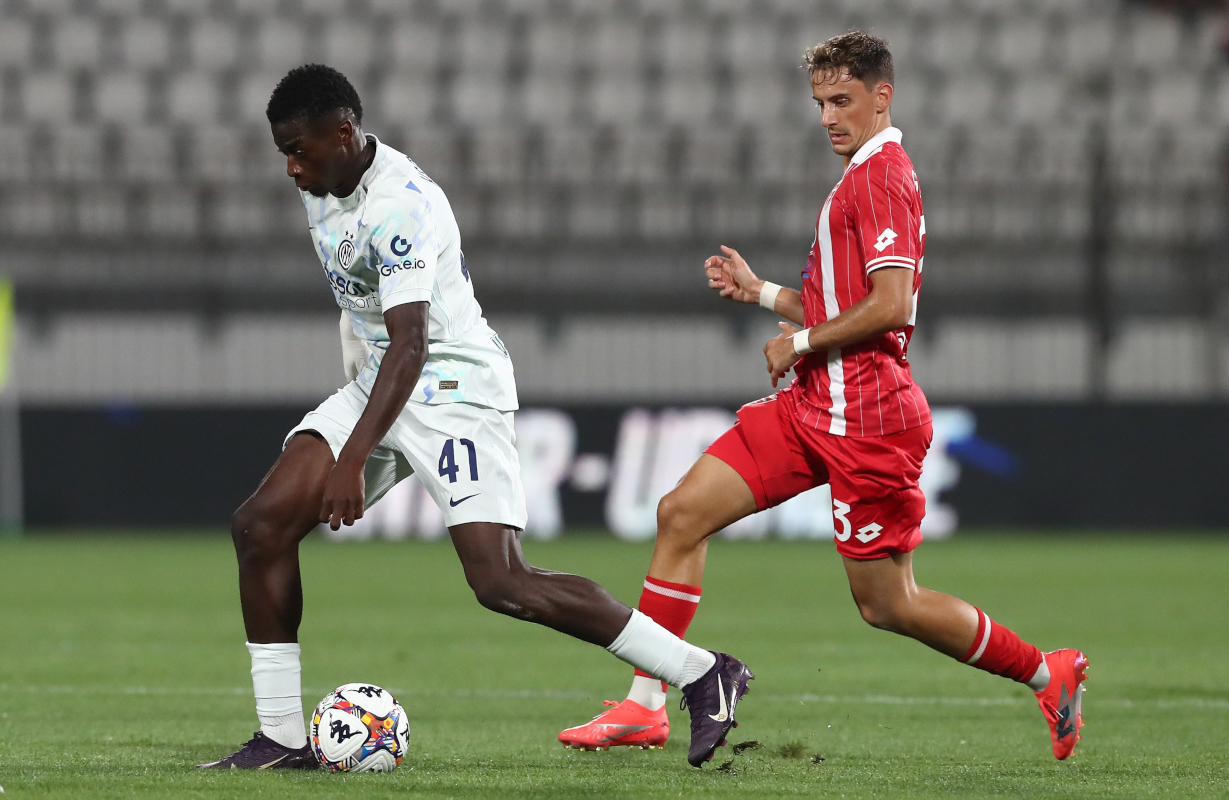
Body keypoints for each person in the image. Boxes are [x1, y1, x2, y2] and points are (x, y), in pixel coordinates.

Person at [196, 64, 751, 771]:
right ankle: (279, 739)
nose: (291, 169)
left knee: (502, 582)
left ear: (343, 133)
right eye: (284, 153)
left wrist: (351, 457)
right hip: (380, 380)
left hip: (451, 387)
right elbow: (361, 306)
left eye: (299, 151)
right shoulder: (325, 186)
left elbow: (412, 343)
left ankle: (703, 672)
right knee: (260, 525)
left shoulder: (401, 205)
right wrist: (350, 397)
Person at [558, 32, 1088, 761]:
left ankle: (1046, 672)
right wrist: (762, 293)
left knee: (887, 605)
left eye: (843, 100)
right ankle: (645, 705)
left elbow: (893, 304)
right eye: (820, 103)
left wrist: (799, 342)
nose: (829, 117)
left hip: (867, 419)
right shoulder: (861, 176)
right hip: (812, 406)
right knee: (681, 514)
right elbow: (842, 299)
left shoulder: (881, 177)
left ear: (882, 96)